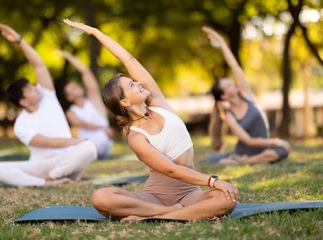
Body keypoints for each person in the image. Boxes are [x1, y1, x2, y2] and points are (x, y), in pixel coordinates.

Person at [63, 19, 238, 221]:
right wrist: (213, 181)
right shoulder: (136, 137)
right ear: (125, 102)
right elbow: (171, 170)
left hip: (190, 193)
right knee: (100, 197)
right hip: (155, 197)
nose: (138, 83)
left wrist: (96, 33)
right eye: (131, 85)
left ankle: (154, 217)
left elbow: (128, 59)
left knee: (228, 199)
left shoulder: (158, 103)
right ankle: (169, 214)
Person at [0, 24, 97, 187]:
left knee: (89, 147)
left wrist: (20, 41)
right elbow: (49, 142)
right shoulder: (21, 125)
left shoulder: (47, 96)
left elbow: (38, 65)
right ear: (23, 102)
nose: (35, 88)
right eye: (30, 90)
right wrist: (76, 141)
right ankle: (45, 182)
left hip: (67, 160)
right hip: (41, 166)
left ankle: (53, 177)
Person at [202, 27, 290, 165]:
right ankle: (247, 160)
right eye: (228, 85)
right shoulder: (230, 116)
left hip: (262, 150)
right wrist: (275, 140)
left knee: (283, 151)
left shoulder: (247, 95)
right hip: (244, 151)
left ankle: (249, 161)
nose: (233, 84)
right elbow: (248, 140)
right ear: (224, 96)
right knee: (213, 161)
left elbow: (234, 65)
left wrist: (221, 42)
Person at [59, 50, 114, 159]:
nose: (78, 88)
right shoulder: (71, 112)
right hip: (87, 149)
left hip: (104, 147)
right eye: (73, 89)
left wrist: (69, 57)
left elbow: (86, 73)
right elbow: (82, 124)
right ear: (69, 97)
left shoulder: (93, 100)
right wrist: (102, 128)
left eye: (77, 86)